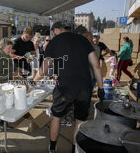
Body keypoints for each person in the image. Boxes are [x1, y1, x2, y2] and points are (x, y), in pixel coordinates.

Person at [33, 21, 104, 153]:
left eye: (52, 32)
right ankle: (74, 149)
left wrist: (33, 81)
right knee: (79, 120)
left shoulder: (53, 42)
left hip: (65, 86)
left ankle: (53, 148)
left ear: (56, 30)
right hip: (84, 86)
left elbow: (42, 71)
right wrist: (101, 88)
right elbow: (96, 66)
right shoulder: (83, 40)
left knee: (57, 116)